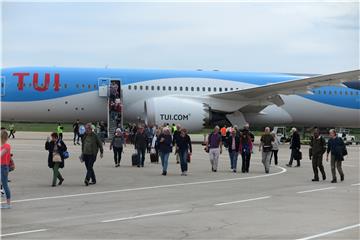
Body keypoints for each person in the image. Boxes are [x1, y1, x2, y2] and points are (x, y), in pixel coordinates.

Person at [1, 130, 12, 209]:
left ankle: (8, 204)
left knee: (5, 185)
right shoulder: (2, 146)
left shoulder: (6, 146)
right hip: (2, 167)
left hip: (4, 167)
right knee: (4, 185)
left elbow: (1, 154)